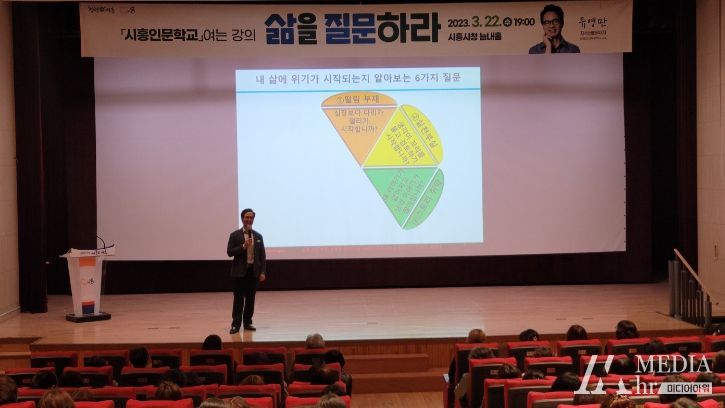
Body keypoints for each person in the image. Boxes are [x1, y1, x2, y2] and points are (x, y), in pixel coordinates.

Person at [227, 208, 267, 334]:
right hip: (239, 273)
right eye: (246, 217)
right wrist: (243, 246)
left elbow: (262, 256)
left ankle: (248, 322)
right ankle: (235, 324)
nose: (249, 219)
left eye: (251, 217)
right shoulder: (235, 235)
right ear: (242, 218)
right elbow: (229, 252)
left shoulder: (258, 236)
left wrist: (262, 272)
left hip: (253, 272)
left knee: (250, 299)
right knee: (238, 300)